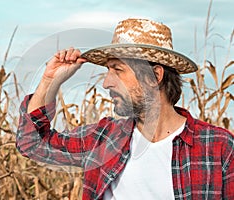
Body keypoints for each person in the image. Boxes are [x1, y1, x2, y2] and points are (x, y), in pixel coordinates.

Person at [16, 18, 234, 199]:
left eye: (118, 70)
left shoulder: (218, 147)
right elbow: (32, 143)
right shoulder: (103, 138)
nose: (106, 83)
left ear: (154, 76)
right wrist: (49, 81)